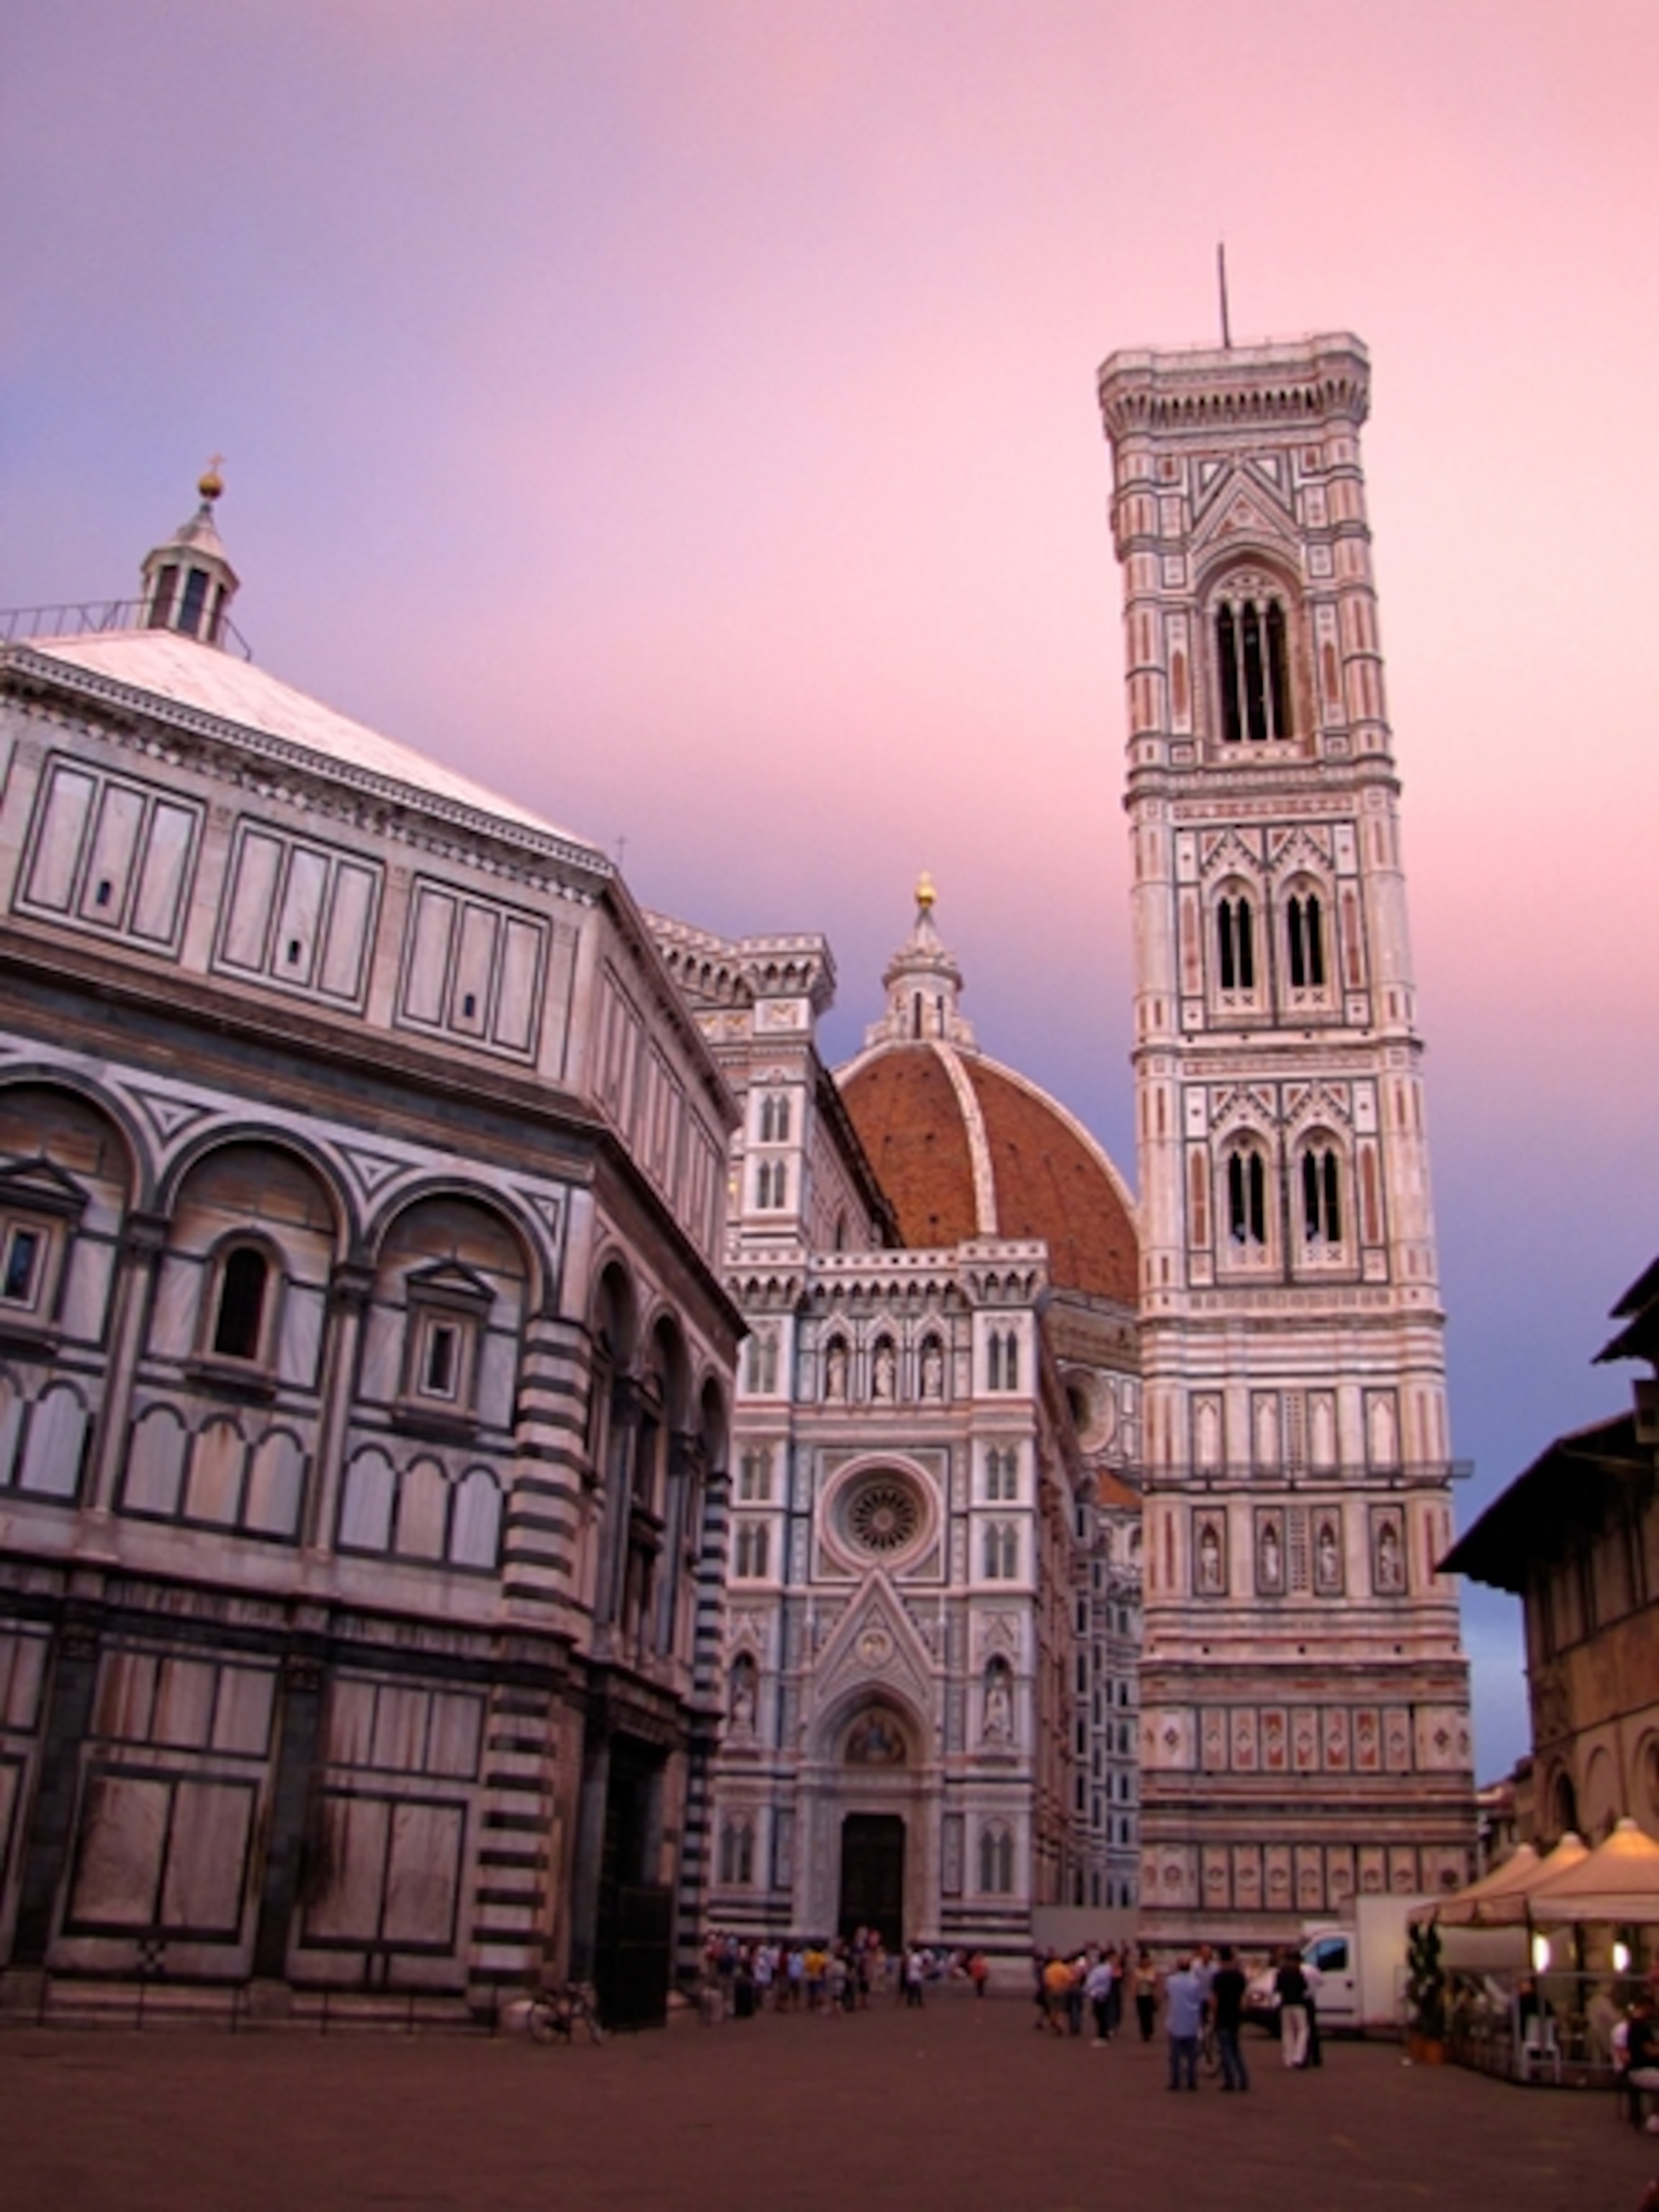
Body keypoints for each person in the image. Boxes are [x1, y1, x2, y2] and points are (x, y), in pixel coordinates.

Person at [1210, 1945, 1250, 2092]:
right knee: (1235, 2048)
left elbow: (1215, 2000)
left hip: (1222, 2015)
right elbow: (1243, 2000)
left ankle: (1230, 2079)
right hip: (1235, 2016)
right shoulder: (1239, 1976)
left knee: (1225, 2049)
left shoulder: (1218, 1977)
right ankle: (1243, 2079)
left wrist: (1213, 2016)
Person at [1164, 1955, 1205, 2091]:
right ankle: (1191, 2081)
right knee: (1191, 2056)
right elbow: (1199, 1999)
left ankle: (1175, 2081)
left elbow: (1167, 1994)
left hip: (1175, 2020)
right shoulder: (1196, 1982)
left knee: (1175, 2056)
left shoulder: (1171, 1981)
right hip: (1191, 2021)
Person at [1276, 1948, 1311, 2069]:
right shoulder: (1298, 1973)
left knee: (1287, 2032)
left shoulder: (1281, 1973)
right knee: (1303, 2030)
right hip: (1299, 2004)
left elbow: (1277, 1989)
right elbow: (1305, 1988)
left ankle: (1288, 2059)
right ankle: (1298, 2057)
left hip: (1285, 2004)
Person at [1085, 1951, 1115, 2045]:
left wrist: (1086, 1990)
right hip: (1106, 1993)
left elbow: (1091, 1982)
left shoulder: (1097, 1970)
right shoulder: (1109, 1968)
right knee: (1105, 2015)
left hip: (1097, 1994)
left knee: (1099, 2016)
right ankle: (1105, 2034)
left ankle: (1101, 2036)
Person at [1134, 1948, 1159, 2042]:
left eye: (1146, 1960)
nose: (1145, 1962)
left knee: (1149, 2014)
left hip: (1149, 1994)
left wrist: (1150, 1982)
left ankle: (1149, 2031)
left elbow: (1156, 1982)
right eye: (1143, 1960)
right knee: (1141, 2014)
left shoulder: (1152, 1970)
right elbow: (1134, 1982)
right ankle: (1144, 2032)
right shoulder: (1137, 1970)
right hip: (1140, 1994)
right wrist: (1134, 1992)